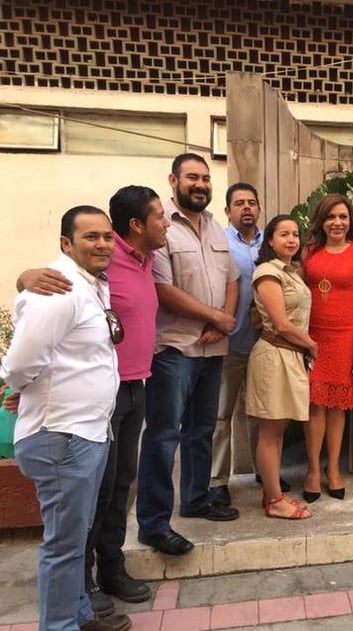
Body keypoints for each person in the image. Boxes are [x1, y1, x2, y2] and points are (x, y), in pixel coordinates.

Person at [16, 186, 170, 614]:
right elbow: (40, 292)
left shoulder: (142, 260)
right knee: (94, 495)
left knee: (121, 486)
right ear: (137, 225)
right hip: (90, 406)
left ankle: (111, 569)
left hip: (134, 386)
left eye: (104, 236)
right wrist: (24, 277)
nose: (166, 222)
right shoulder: (91, 267)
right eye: (160, 215)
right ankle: (80, 587)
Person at [1, 206, 130, 631]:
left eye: (107, 237)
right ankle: (59, 626)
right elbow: (20, 364)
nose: (102, 244)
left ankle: (77, 615)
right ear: (66, 243)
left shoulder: (90, 285)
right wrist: (26, 388)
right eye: (91, 237)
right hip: (62, 436)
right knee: (64, 544)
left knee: (77, 537)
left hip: (86, 431)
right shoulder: (58, 289)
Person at [137, 153, 240, 557]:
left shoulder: (216, 227)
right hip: (175, 348)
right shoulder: (163, 229)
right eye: (192, 177)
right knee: (164, 436)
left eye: (205, 178)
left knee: (203, 429)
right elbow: (164, 290)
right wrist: (215, 316)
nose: (200, 184)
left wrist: (225, 320)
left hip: (213, 346)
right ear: (174, 180)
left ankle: (196, 500)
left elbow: (232, 278)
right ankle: (153, 523)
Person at [302, 193, 353, 501]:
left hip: (347, 337)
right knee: (315, 403)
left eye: (343, 217)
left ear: (351, 221)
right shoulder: (309, 252)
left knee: (337, 406)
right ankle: (313, 470)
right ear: (322, 220)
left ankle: (333, 468)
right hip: (313, 338)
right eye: (331, 216)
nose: (337, 222)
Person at [247, 215, 315, 519]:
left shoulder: (292, 272)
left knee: (278, 430)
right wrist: (312, 345)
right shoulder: (267, 272)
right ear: (270, 241)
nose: (291, 240)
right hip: (274, 355)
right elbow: (281, 324)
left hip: (289, 356)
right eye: (284, 234)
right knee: (271, 432)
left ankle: (272, 493)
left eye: (295, 234)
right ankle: (275, 501)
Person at [209, 182, 264, 508]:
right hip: (228, 344)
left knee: (260, 413)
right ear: (228, 210)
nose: (247, 208)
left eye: (252, 202)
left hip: (263, 345)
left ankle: (263, 469)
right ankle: (217, 481)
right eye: (239, 203)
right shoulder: (219, 243)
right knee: (221, 415)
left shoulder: (269, 243)